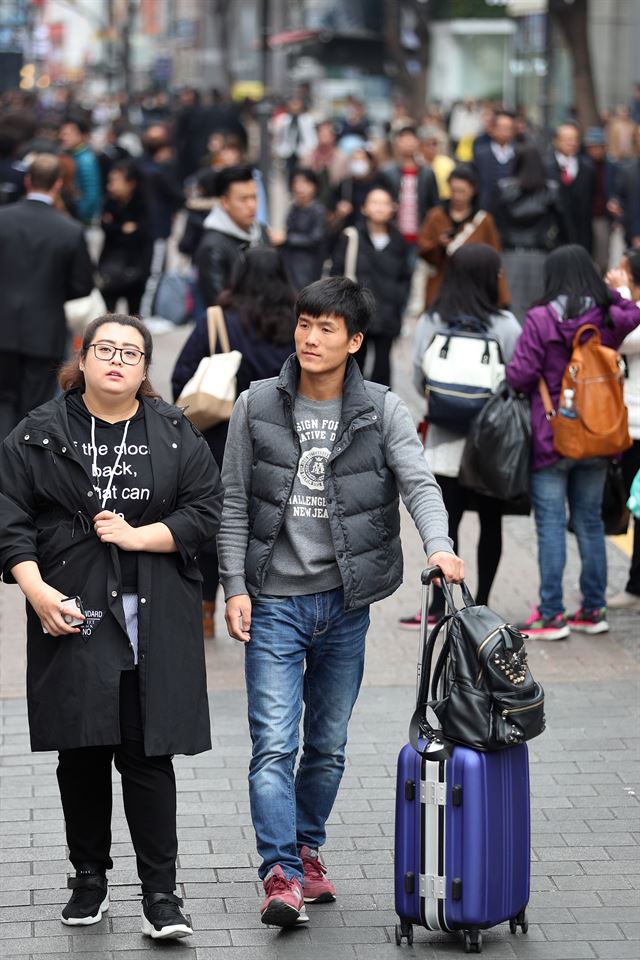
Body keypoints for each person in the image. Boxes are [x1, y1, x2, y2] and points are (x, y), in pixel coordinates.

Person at [217, 276, 464, 927]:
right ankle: (281, 873)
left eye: (327, 327)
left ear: (355, 340)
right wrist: (234, 587)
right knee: (273, 742)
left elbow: (418, 481)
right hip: (273, 601)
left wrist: (440, 546)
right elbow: (235, 502)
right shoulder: (255, 405)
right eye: (305, 323)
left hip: (345, 605)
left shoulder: (381, 410)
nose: (311, 337)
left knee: (326, 746)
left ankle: (307, 846)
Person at [0, 314, 223, 937]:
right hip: (73, 612)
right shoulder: (41, 431)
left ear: (146, 368)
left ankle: (161, 895)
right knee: (82, 754)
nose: (117, 360)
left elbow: (207, 510)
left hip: (152, 619)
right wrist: (35, 587)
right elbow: (8, 509)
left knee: (148, 756)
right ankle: (89, 880)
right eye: (106, 349)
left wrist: (140, 535)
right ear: (84, 356)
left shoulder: (175, 432)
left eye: (131, 352)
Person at [506, 245, 640, 639]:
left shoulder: (540, 318)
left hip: (552, 436)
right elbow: (634, 313)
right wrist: (611, 290)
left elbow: (519, 376)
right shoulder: (607, 315)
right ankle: (593, 610)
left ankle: (551, 614)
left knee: (549, 525)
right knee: (590, 522)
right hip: (598, 435)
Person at [171, 247, 296, 637]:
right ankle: (266, 607)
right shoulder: (295, 324)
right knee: (271, 521)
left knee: (216, 524)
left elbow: (181, 381)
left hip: (220, 440)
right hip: (280, 439)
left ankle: (206, 611)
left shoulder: (217, 321)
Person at [399, 245, 521, 631]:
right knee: (491, 524)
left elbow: (419, 377)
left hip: (442, 442)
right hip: (490, 447)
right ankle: (481, 603)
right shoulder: (505, 324)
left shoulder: (432, 320)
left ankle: (438, 605)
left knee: (443, 524)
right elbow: (515, 381)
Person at [0, 154, 94, 441]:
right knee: (34, 407)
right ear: (58, 184)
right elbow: (82, 285)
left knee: (2, 400)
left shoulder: (3, 219)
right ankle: (20, 470)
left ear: (28, 181)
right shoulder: (70, 229)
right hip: (44, 329)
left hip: (2, 327)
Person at [331, 186, 412, 387]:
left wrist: (398, 300)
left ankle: (380, 410)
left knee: (383, 366)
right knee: (354, 364)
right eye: (374, 202)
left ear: (393, 208)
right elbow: (337, 271)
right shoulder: (351, 236)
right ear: (364, 208)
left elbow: (405, 276)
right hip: (357, 313)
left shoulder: (398, 240)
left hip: (388, 313)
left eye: (384, 203)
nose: (379, 208)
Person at [417, 163, 509, 308]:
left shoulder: (484, 220)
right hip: (442, 287)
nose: (457, 196)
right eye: (453, 190)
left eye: (463, 191)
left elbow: (495, 259)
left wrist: (502, 298)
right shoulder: (436, 216)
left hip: (475, 290)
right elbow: (424, 250)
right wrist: (440, 246)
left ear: (473, 190)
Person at [495, 145, 567, 320]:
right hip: (541, 255)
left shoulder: (504, 189)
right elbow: (564, 227)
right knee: (538, 308)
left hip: (509, 254)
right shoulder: (551, 191)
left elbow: (496, 224)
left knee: (510, 307)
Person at [605, 250, 640, 610]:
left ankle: (636, 586)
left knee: (638, 505)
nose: (615, 275)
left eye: (623, 272)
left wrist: (622, 294)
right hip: (629, 423)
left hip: (637, 425)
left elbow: (623, 335)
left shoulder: (631, 311)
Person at [196, 164, 270, 307]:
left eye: (254, 197)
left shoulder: (261, 231)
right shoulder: (213, 247)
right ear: (224, 202)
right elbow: (218, 305)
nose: (252, 205)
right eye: (243, 199)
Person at [98, 160, 153, 315]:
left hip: (136, 266)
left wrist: (118, 228)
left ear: (131, 184)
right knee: (107, 313)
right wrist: (122, 228)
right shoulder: (109, 202)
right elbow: (106, 227)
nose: (111, 186)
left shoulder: (142, 204)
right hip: (111, 266)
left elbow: (142, 231)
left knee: (134, 315)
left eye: (116, 181)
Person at [380, 125, 440, 258]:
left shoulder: (427, 173)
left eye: (411, 139)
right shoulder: (387, 173)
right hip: (393, 235)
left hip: (419, 236)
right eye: (404, 139)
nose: (408, 143)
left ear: (418, 142)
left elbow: (435, 205)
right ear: (397, 143)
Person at [545, 123, 595, 254]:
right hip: (556, 232)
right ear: (556, 141)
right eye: (567, 139)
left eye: (574, 139)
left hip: (582, 231)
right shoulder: (547, 168)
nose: (571, 143)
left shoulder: (587, 168)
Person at [279, 168, 327, 292]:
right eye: (296, 182)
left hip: (308, 265)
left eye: (305, 183)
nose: (299, 187)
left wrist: (286, 238)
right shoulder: (294, 208)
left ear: (314, 186)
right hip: (290, 262)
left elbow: (315, 238)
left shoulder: (318, 210)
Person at [583, 127, 618, 275]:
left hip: (602, 216)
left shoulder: (612, 167)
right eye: (593, 147)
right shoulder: (581, 165)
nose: (596, 150)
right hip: (583, 216)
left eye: (599, 146)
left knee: (602, 259)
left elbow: (617, 188)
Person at [59, 115, 102, 223]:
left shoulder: (85, 160)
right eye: (63, 133)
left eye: (68, 134)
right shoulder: (74, 155)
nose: (63, 137)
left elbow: (91, 196)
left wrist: (76, 217)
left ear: (83, 135)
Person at [472, 110, 516, 214]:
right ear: (492, 129)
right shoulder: (481, 153)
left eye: (508, 128)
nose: (505, 132)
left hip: (512, 210)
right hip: (486, 208)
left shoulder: (519, 152)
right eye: (502, 128)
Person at [272, 96, 317, 180]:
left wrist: (310, 150)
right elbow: (277, 136)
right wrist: (277, 149)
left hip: (303, 152)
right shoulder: (283, 119)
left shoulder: (307, 119)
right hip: (286, 151)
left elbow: (312, 136)